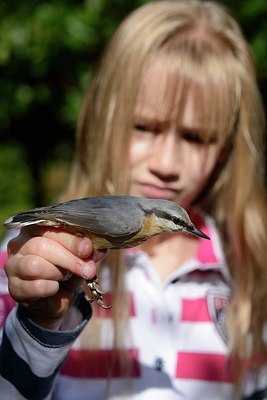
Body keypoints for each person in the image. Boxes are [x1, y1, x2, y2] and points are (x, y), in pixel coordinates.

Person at [0, 0, 267, 398]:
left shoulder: (249, 273)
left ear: (225, 151)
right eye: (144, 127)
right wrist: (41, 318)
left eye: (194, 137)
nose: (166, 163)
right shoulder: (30, 259)